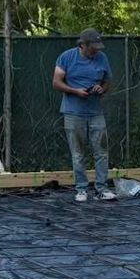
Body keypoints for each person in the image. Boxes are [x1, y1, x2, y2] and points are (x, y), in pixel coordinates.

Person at [54, 29, 115, 202]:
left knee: (101, 151)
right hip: (73, 112)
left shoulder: (102, 58)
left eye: (98, 47)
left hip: (95, 111)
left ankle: (101, 188)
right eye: (92, 48)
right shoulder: (66, 57)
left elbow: (108, 81)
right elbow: (56, 82)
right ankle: (81, 189)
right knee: (78, 153)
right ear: (82, 45)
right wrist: (75, 91)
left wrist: (101, 88)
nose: (96, 51)